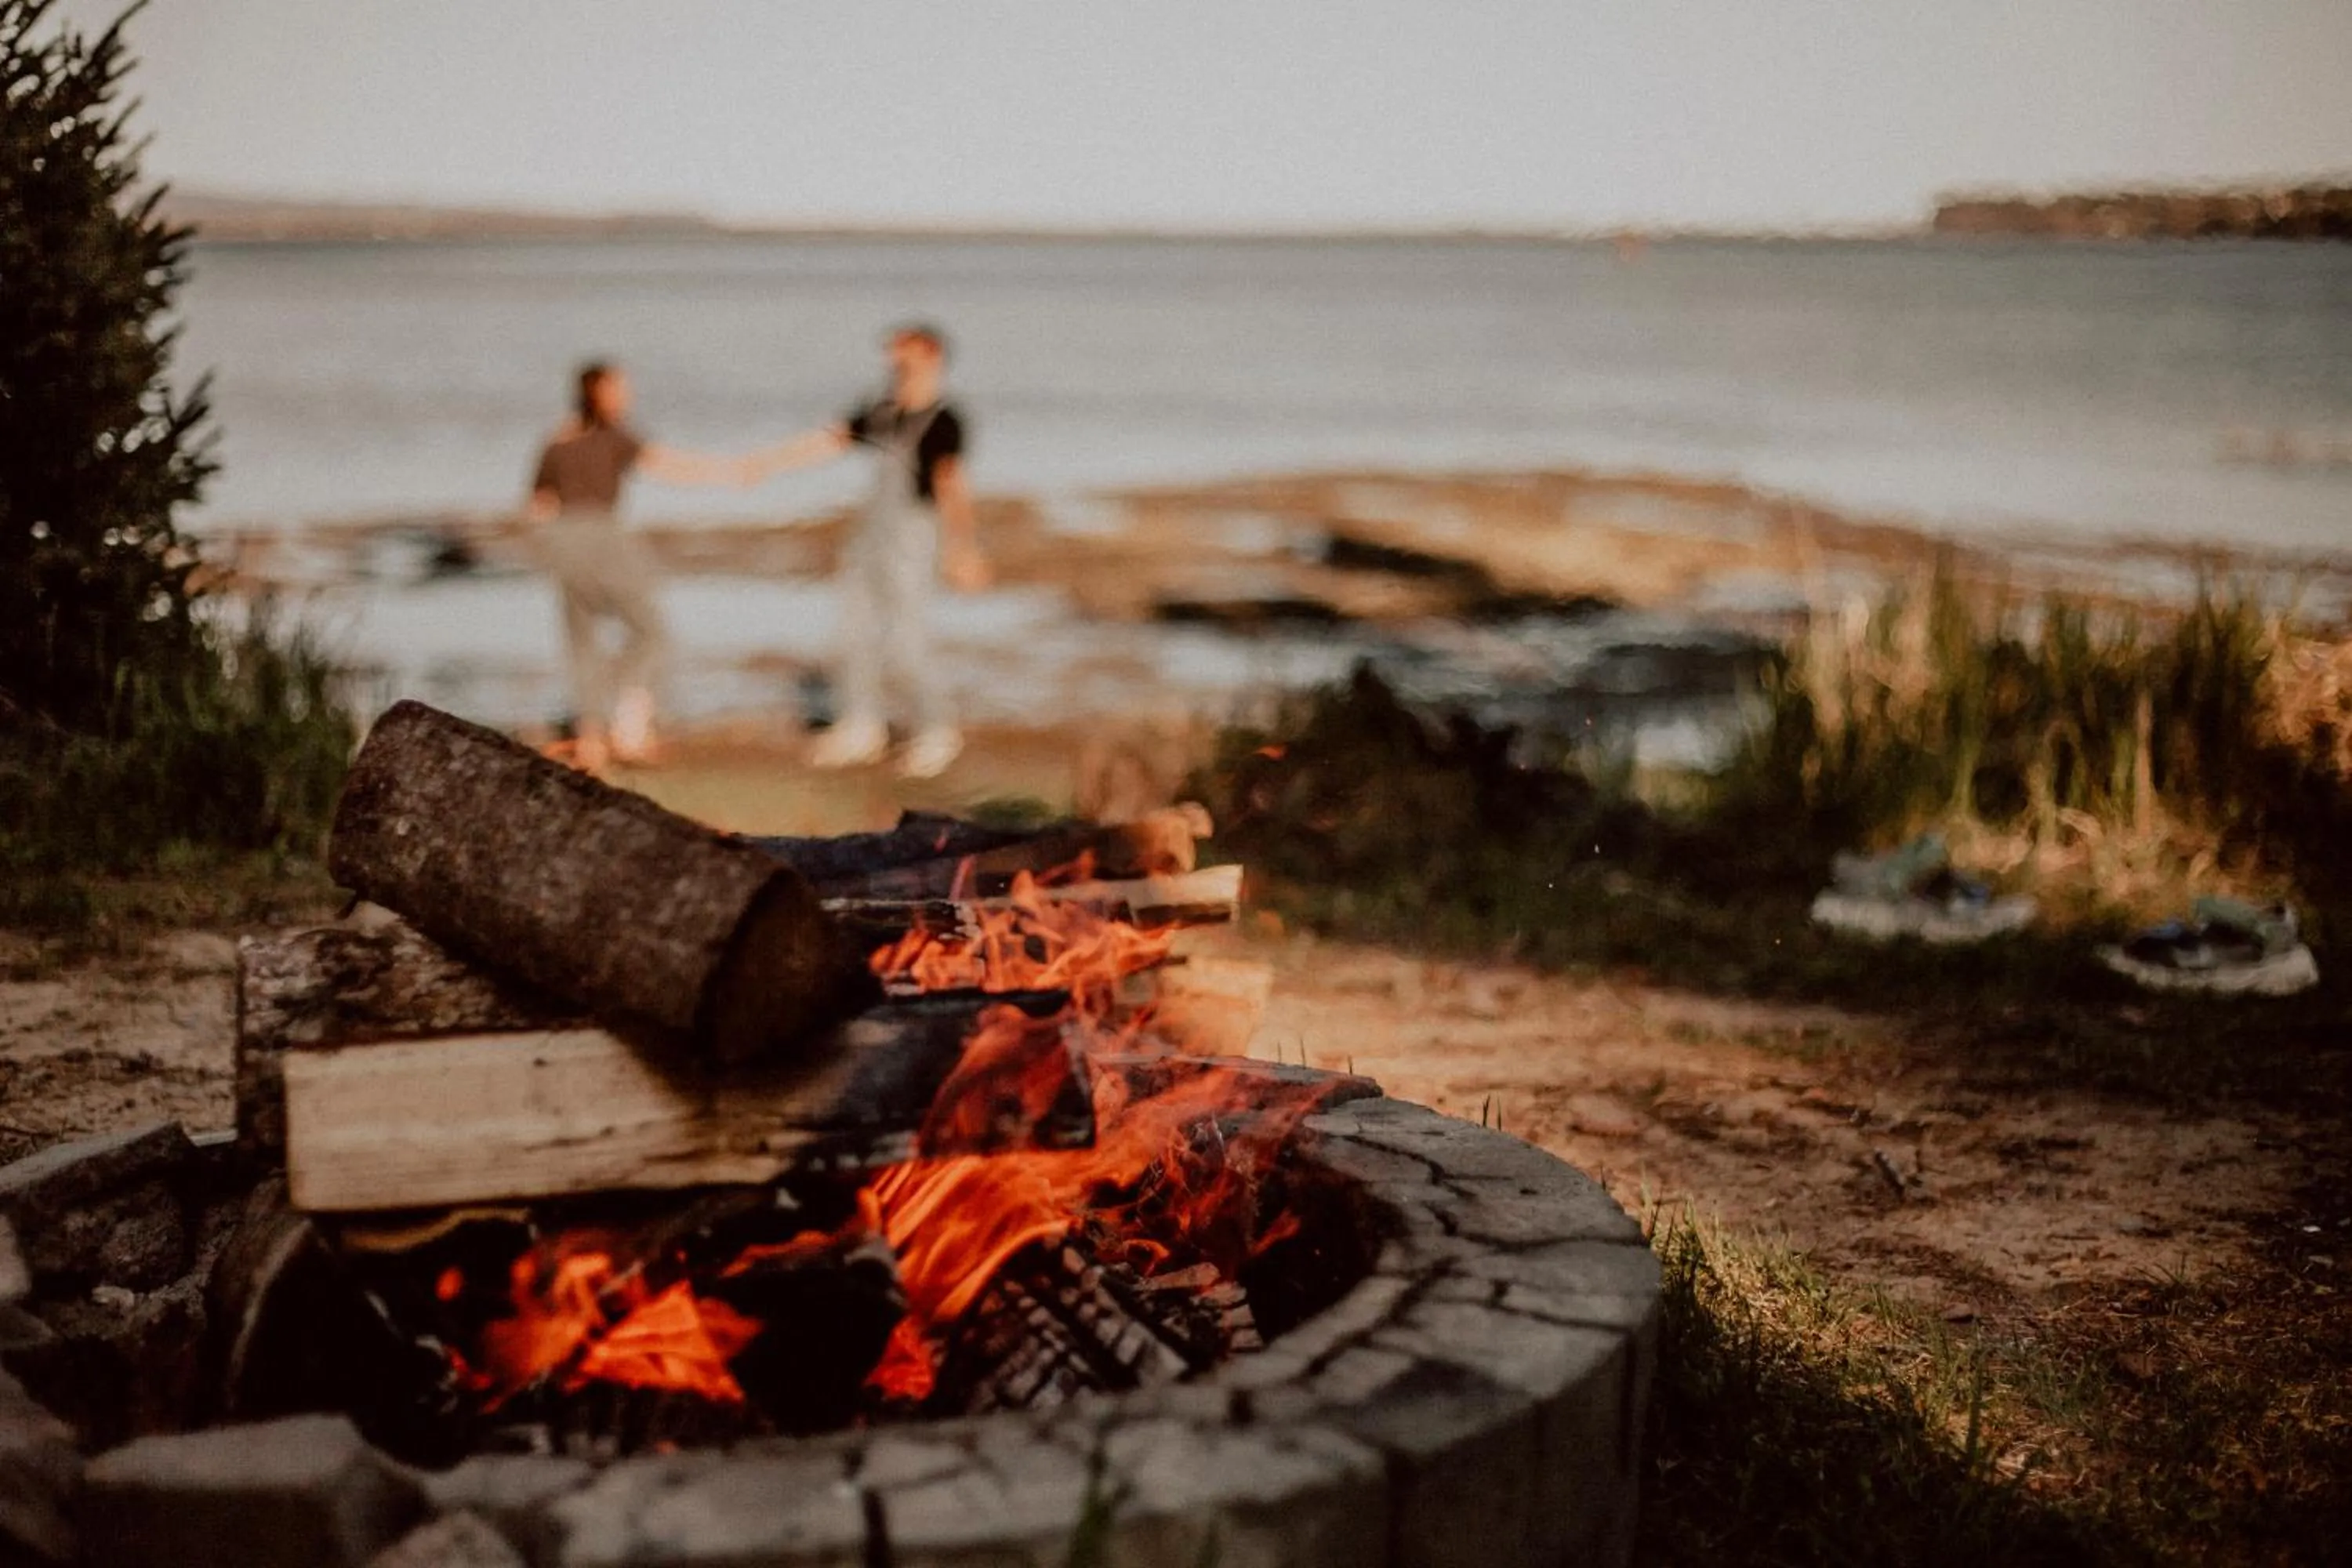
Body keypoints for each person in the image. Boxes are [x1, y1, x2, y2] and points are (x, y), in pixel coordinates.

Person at [753, 324, 985, 780]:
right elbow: (832, 440)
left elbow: (951, 483)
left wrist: (965, 548)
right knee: (852, 631)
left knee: (906, 641)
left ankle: (936, 729)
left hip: (914, 535)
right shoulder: (881, 409)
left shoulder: (945, 420)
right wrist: (766, 464)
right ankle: (859, 725)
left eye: (904, 350)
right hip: (871, 532)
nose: (893, 358)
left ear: (931, 355)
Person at [525, 361, 751, 769]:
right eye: (619, 389)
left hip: (563, 540)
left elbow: (538, 504)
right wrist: (725, 472)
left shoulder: (556, 439)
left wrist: (550, 546)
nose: (626, 397)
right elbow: (666, 465)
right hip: (602, 535)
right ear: (598, 393)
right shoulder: (614, 437)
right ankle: (630, 728)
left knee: (581, 639)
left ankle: (591, 738)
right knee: (652, 632)